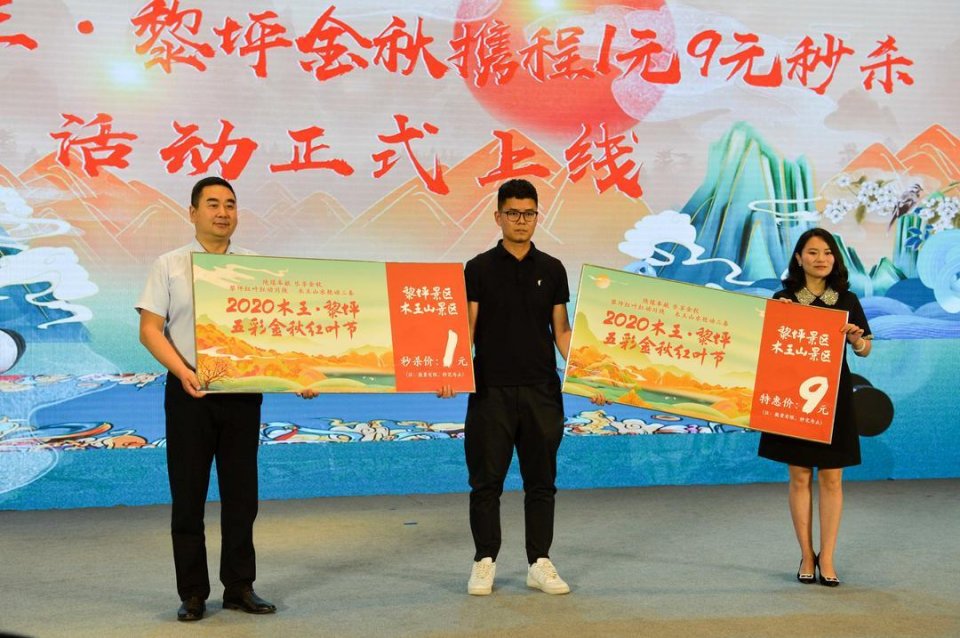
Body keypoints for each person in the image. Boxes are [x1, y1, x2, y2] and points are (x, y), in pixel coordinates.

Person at [137, 176, 314, 621]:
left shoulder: (256, 269)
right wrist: (183, 372)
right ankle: (193, 593)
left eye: (230, 204)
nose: (223, 212)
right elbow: (150, 330)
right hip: (189, 395)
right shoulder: (169, 264)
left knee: (241, 497)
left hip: (241, 395)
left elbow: (273, 335)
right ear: (192, 212)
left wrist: (297, 375)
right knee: (188, 497)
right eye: (213, 204)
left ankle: (239, 587)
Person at [439, 178, 575, 596]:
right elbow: (466, 329)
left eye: (529, 213)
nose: (521, 221)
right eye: (513, 213)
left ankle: (540, 562)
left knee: (541, 482)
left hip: (541, 391)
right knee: (486, 483)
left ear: (537, 216)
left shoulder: (552, 268)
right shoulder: (478, 268)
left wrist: (591, 375)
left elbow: (562, 331)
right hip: (490, 391)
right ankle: (484, 561)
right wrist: (449, 371)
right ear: (497, 216)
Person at [758, 227, 873, 587]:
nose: (821, 259)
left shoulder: (847, 299)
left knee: (832, 477)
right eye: (812, 252)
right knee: (799, 475)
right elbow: (768, 346)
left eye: (827, 252)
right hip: (792, 397)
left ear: (835, 258)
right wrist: (778, 318)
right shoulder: (783, 298)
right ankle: (807, 555)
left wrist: (856, 340)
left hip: (834, 397)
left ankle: (829, 557)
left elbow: (865, 348)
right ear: (798, 258)